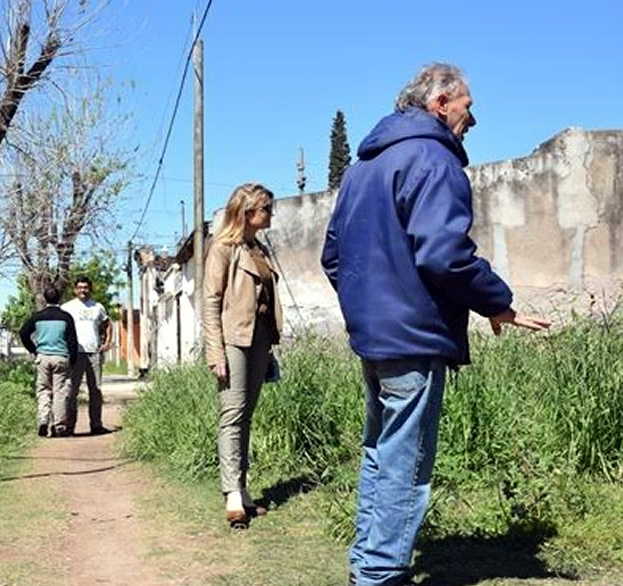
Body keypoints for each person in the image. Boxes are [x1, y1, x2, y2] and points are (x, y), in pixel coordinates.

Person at [320, 63, 551, 586]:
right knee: (406, 464)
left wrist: (368, 307)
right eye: (468, 105)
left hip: (376, 339)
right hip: (415, 337)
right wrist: (498, 302)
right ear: (440, 102)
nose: (474, 119)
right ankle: (380, 575)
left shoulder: (360, 170)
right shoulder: (434, 160)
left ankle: (367, 566)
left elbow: (332, 257)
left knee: (381, 453)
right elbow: (445, 254)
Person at [203, 182, 282, 529]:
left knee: (246, 416)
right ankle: (232, 494)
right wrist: (215, 351)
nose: (271, 213)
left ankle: (242, 488)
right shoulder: (222, 247)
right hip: (233, 340)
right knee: (232, 414)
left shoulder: (258, 248)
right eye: (266, 208)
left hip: (260, 338)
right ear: (249, 211)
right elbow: (210, 301)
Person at [19, 286, 78, 437]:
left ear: (45, 298)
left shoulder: (38, 317)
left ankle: (43, 420)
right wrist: (73, 359)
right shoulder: (66, 317)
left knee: (44, 390)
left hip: (43, 357)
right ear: (59, 298)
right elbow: (72, 341)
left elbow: (23, 332)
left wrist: (33, 349)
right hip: (61, 357)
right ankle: (59, 426)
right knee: (60, 392)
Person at [61, 276, 111, 435]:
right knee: (71, 391)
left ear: (90, 289)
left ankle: (96, 425)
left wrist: (107, 342)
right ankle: (69, 427)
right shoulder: (67, 307)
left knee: (95, 390)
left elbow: (108, 325)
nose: (83, 290)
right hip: (75, 354)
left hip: (94, 353)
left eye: (86, 287)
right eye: (80, 287)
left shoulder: (98, 307)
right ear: (75, 289)